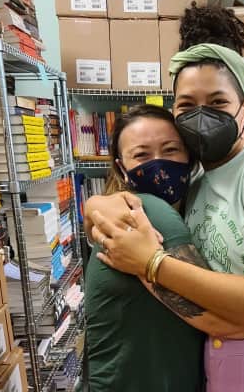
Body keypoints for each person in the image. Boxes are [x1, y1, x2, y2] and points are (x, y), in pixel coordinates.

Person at [85, 6, 244, 392]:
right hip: (227, 365)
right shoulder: (196, 181)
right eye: (187, 106)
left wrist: (152, 263)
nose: (202, 117)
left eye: (218, 103)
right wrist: (96, 206)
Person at [84, 105, 207, 392]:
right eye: (141, 155)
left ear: (189, 156)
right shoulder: (149, 212)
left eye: (170, 150)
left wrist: (92, 205)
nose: (159, 164)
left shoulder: (186, 208)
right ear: (121, 168)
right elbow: (217, 311)